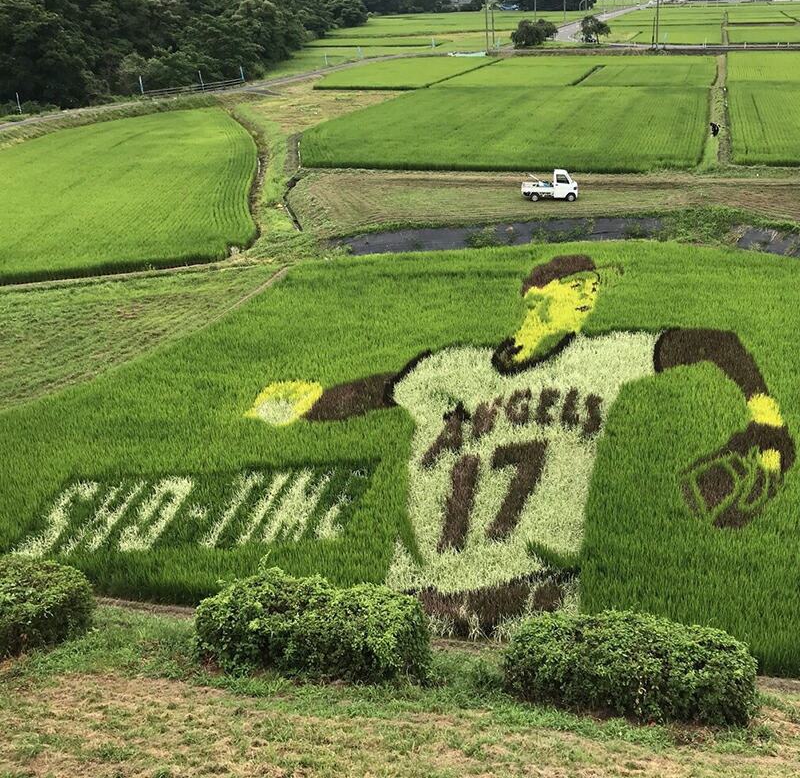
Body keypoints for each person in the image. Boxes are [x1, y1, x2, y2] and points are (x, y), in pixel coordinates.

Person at [249, 255, 794, 632]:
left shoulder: (597, 361)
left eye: (594, 288)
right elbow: (375, 391)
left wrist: (767, 417)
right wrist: (305, 403)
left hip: (537, 595)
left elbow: (716, 343)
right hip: (419, 594)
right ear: (534, 296)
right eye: (576, 285)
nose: (590, 295)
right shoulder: (451, 367)